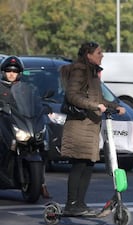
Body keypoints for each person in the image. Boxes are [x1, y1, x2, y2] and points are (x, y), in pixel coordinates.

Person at [61, 42, 126, 216]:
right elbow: (72, 96)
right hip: (79, 126)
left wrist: (114, 106)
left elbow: (99, 98)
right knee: (79, 164)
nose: (102, 55)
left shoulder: (93, 73)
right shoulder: (80, 70)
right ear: (88, 55)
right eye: (99, 52)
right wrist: (94, 105)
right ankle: (71, 204)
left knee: (88, 165)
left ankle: (79, 203)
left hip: (90, 126)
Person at [0, 56, 51, 199]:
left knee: (43, 146)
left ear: (19, 73)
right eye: (8, 70)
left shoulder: (26, 88)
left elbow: (34, 103)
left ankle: (41, 183)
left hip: (20, 122)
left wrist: (43, 107)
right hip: (3, 122)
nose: (11, 74)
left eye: (14, 71)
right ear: (3, 72)